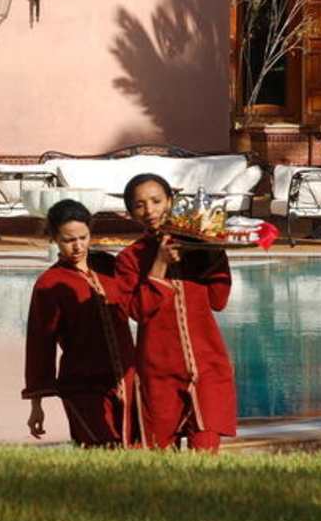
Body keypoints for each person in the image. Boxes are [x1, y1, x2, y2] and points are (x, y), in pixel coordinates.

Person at [114, 173, 237, 452]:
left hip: (207, 366)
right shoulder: (129, 259)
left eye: (156, 201)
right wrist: (159, 264)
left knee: (205, 451)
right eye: (140, 205)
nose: (150, 210)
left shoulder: (198, 247)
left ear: (170, 201)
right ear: (130, 213)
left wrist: (214, 251)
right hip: (159, 372)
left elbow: (218, 301)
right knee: (158, 455)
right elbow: (138, 311)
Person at [23, 198, 145, 447]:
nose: (78, 246)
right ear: (54, 239)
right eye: (68, 240)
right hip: (82, 385)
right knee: (101, 449)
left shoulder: (110, 266)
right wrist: (37, 405)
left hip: (127, 379)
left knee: (133, 450)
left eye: (83, 237)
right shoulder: (50, 283)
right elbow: (40, 344)